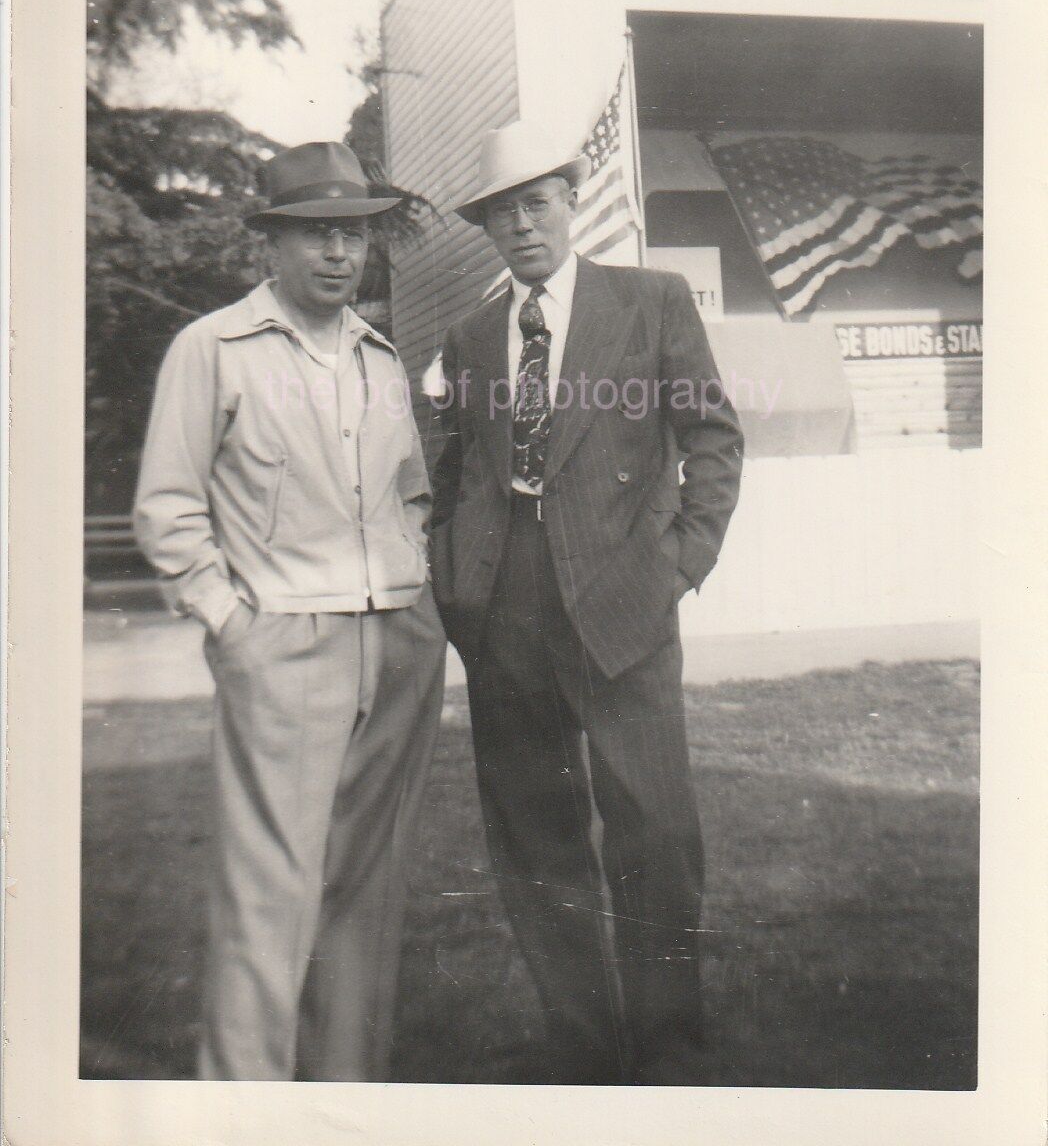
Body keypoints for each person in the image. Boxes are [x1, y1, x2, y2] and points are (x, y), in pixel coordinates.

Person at [430, 119, 744, 1085]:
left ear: (570, 201)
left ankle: (667, 1050)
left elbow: (714, 438)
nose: (521, 226)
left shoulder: (649, 302)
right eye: (500, 214)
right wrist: (457, 581)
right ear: (486, 229)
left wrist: (680, 562)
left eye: (536, 203)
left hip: (623, 602)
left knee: (653, 830)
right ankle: (581, 1044)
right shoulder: (473, 335)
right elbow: (454, 470)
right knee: (534, 836)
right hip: (503, 608)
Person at [133, 141, 447, 1082]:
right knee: (268, 893)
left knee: (366, 886)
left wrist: (418, 599)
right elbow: (168, 507)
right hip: (283, 644)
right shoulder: (213, 348)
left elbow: (412, 497)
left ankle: (342, 1098)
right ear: (271, 245)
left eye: (352, 235)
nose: (338, 255)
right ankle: (245, 1107)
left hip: (395, 640)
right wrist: (233, 626)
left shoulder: (380, 357)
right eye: (315, 235)